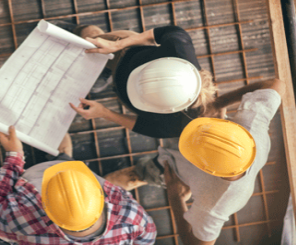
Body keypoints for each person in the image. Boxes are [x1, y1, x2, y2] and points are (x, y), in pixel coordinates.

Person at [104, 78, 285, 245]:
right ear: (233, 129)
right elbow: (275, 84)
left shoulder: (215, 205)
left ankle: (141, 174)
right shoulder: (253, 126)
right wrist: (218, 104)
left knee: (149, 172)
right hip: (202, 133)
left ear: (202, 167)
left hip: (175, 171)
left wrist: (176, 198)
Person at [0, 127, 156, 244]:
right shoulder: (130, 215)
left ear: (44, 206)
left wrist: (14, 157)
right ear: (102, 198)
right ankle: (62, 157)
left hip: (23, 188)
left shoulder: (22, 221)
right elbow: (147, 237)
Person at [69, 25, 222, 138]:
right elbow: (158, 33)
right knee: (85, 40)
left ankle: (106, 74)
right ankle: (83, 30)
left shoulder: (179, 126)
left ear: (167, 109)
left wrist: (103, 112)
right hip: (124, 51)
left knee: (94, 78)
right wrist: (115, 45)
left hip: (120, 86)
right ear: (167, 61)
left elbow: (142, 125)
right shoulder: (179, 48)